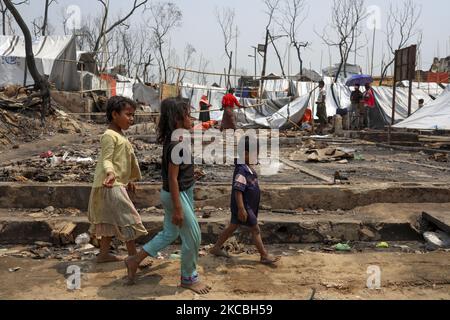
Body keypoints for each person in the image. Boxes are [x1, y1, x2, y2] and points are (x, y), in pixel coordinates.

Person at [125, 98, 211, 295]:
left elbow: (177, 172)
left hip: (181, 192)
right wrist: (178, 208)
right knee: (194, 236)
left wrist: (191, 174)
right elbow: (172, 179)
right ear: (177, 120)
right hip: (176, 195)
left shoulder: (179, 140)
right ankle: (188, 277)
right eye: (188, 115)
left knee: (170, 233)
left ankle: (134, 260)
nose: (192, 117)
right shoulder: (176, 144)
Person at [88, 96, 148, 264]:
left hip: (114, 183)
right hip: (109, 184)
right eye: (128, 114)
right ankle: (134, 257)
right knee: (128, 219)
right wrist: (110, 173)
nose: (132, 118)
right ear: (115, 114)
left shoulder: (120, 135)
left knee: (109, 220)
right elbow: (107, 159)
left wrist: (129, 179)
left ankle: (104, 255)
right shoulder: (109, 135)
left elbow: (123, 161)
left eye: (133, 115)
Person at [209, 136, 281, 265]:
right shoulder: (242, 170)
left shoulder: (248, 168)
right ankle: (264, 255)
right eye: (256, 154)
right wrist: (242, 208)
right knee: (255, 229)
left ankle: (216, 248)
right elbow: (238, 190)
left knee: (232, 227)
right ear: (246, 154)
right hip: (244, 206)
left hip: (247, 206)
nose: (257, 156)